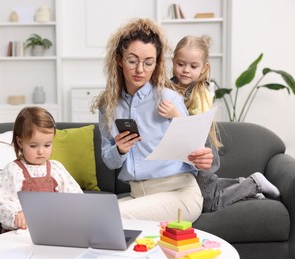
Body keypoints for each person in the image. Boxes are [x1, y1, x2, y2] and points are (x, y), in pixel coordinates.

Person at [91, 18, 214, 223]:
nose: (140, 70)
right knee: (88, 215)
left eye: (148, 63)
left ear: (156, 63)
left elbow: (194, 151)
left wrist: (202, 158)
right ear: (119, 60)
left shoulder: (169, 99)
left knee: (107, 215)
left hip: (179, 193)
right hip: (139, 196)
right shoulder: (108, 105)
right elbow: (109, 161)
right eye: (132, 61)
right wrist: (119, 149)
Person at [158, 35, 280, 213]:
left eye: (193, 66)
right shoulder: (169, 87)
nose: (185, 70)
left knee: (210, 203)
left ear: (204, 68)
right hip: (183, 154)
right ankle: (240, 184)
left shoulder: (201, 93)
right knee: (205, 188)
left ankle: (254, 184)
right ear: (173, 62)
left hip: (201, 153)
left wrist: (175, 114)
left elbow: (196, 129)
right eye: (181, 64)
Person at [0, 106, 82, 231]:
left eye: (47, 145)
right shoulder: (12, 170)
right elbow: (1, 201)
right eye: (33, 146)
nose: (41, 151)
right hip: (21, 231)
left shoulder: (57, 168)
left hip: (52, 229)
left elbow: (75, 196)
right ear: (20, 142)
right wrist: (16, 215)